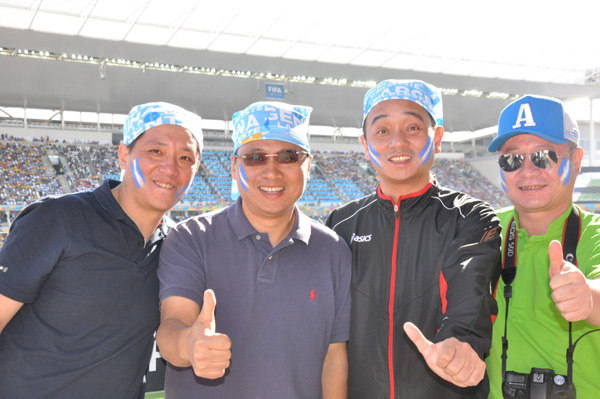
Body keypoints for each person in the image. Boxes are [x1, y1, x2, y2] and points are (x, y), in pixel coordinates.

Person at [0, 102, 203, 399]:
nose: (170, 168)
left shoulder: (177, 247)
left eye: (186, 157)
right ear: (124, 155)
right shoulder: (56, 219)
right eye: (155, 151)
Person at [156, 101, 351, 398]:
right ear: (234, 168)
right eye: (255, 158)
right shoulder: (192, 237)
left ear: (307, 166)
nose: (271, 172)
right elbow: (173, 325)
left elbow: (333, 357)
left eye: (288, 156)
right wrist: (189, 346)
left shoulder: (333, 251)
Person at [325, 79, 501, 398]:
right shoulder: (340, 223)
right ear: (365, 144)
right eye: (382, 131)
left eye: (412, 127)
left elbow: (469, 295)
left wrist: (459, 345)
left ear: (437, 138)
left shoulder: (470, 217)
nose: (398, 142)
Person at [485, 95, 600, 398]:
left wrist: (588, 298)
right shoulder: (482, 231)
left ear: (576, 161)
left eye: (543, 156)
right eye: (511, 159)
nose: (526, 171)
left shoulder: (595, 234)